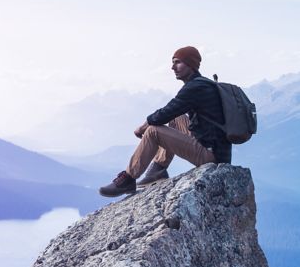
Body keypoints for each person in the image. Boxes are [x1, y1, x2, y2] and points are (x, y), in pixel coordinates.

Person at [99, 46, 232, 197]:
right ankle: (158, 170)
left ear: (191, 64)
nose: (172, 67)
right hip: (213, 147)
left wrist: (143, 127)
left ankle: (128, 179)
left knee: (154, 130)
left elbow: (165, 113)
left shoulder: (195, 88)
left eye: (178, 62)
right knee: (176, 119)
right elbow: (172, 113)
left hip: (211, 155)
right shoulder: (203, 84)